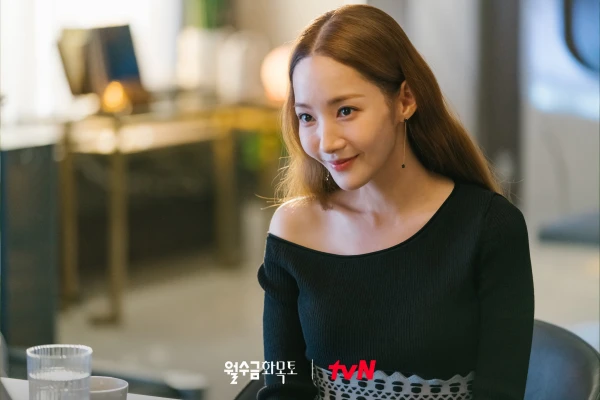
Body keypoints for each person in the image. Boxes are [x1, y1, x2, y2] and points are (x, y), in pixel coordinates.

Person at [257, 4, 534, 400]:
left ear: (405, 99)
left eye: (346, 110)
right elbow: (284, 385)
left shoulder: (489, 228)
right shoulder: (294, 229)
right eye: (307, 117)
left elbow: (499, 394)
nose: (326, 141)